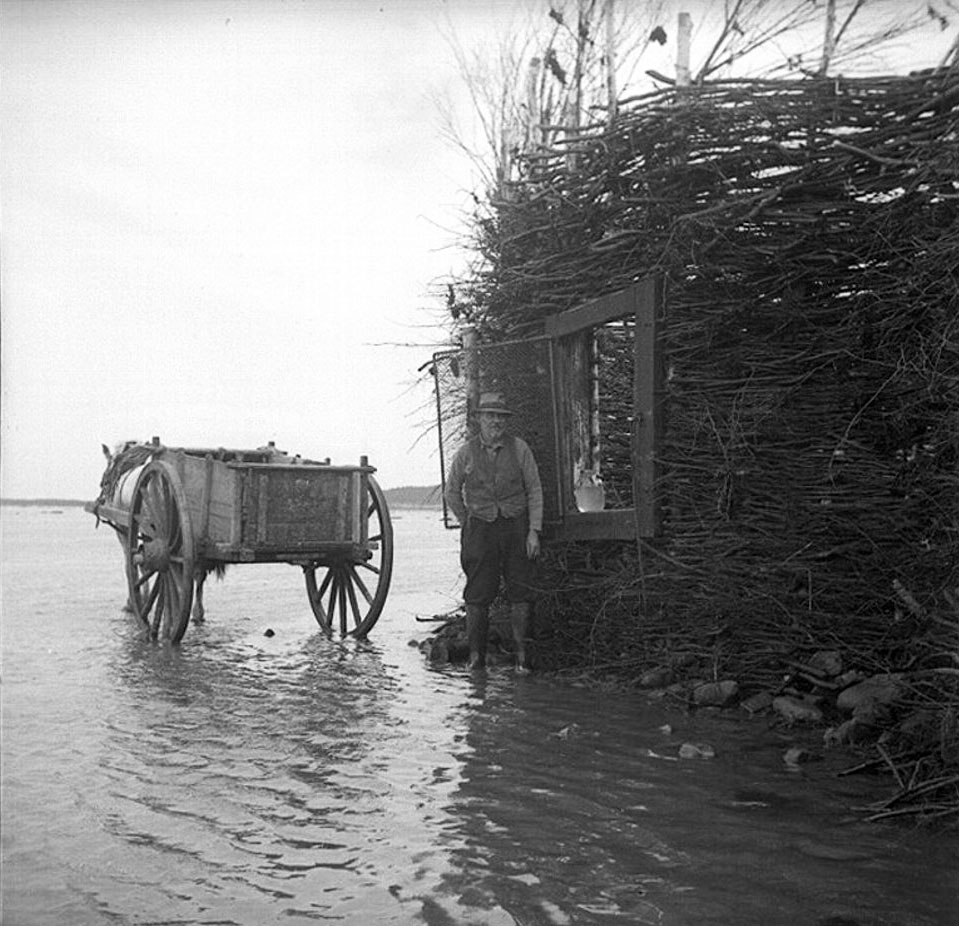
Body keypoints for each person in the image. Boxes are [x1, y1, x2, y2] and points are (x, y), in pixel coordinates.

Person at [444, 391, 543, 672]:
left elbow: (534, 490)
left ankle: (522, 659)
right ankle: (477, 660)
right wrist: (468, 521)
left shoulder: (520, 448)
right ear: (479, 420)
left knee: (521, 592)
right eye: (490, 416)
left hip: (516, 527)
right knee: (477, 594)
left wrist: (534, 530)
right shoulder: (465, 453)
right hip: (480, 531)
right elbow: (451, 492)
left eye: (500, 417)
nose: (495, 422)